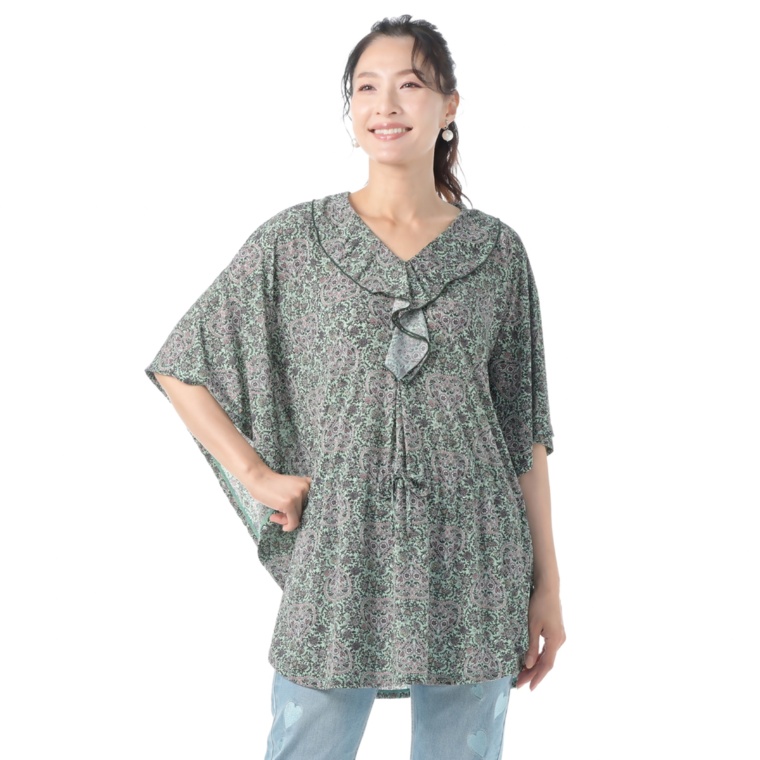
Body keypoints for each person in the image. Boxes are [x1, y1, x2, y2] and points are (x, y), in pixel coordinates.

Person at [145, 14, 566, 760]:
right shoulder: (295, 241)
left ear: (449, 106)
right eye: (366, 88)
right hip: (341, 549)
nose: (386, 105)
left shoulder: (496, 252)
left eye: (410, 85)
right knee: (305, 742)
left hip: (476, 552)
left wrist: (549, 586)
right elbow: (185, 362)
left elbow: (522, 433)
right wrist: (257, 476)